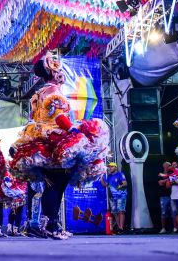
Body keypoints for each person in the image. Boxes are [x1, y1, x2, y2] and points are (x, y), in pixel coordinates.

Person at [10, 51, 109, 239]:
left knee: (52, 185)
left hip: (42, 141)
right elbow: (60, 117)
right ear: (52, 71)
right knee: (57, 184)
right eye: (58, 68)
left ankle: (49, 224)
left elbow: (36, 118)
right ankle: (52, 225)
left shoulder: (39, 93)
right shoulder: (54, 92)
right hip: (55, 141)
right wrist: (75, 132)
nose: (61, 72)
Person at [102, 162, 128, 233]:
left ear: (115, 167)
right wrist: (101, 178)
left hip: (121, 195)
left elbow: (125, 183)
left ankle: (121, 227)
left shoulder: (120, 174)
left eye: (112, 166)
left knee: (121, 211)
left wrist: (120, 186)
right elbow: (105, 185)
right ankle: (119, 226)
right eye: (109, 167)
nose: (110, 168)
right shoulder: (109, 176)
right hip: (113, 197)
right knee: (114, 212)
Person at [157, 161, 174, 233]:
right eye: (166, 166)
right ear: (163, 167)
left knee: (173, 213)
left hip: (173, 195)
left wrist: (167, 180)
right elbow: (160, 183)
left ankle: (174, 227)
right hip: (164, 196)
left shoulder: (173, 173)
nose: (167, 167)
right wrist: (169, 179)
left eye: (168, 166)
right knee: (164, 213)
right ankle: (163, 228)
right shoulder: (160, 174)